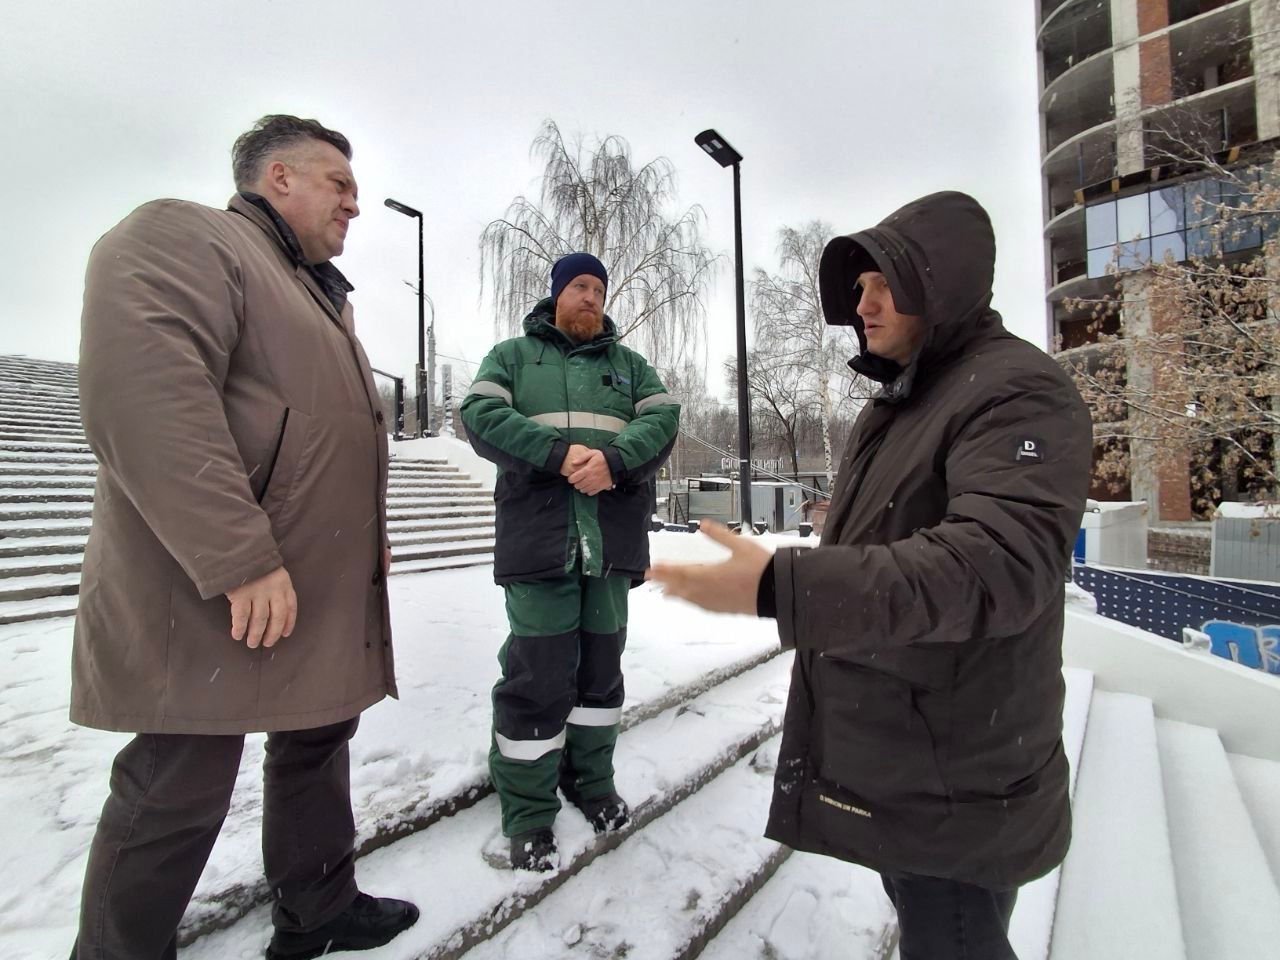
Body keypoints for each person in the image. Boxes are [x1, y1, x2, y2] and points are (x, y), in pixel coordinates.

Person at [648, 191, 1092, 959]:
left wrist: (777, 585)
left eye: (883, 282)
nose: (863, 303)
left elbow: (992, 565)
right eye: (857, 289)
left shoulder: (1016, 390)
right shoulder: (905, 401)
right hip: (919, 762)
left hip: (958, 778)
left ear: (939, 282)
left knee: (954, 936)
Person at [70, 115, 419, 960]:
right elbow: (145, 398)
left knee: (316, 743)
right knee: (178, 785)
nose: (355, 204)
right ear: (279, 178)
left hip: (310, 589)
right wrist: (239, 555)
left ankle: (319, 908)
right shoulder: (188, 236)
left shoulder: (311, 290)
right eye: (337, 183)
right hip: (219, 588)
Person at [461, 253, 680, 871]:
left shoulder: (630, 367)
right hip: (540, 544)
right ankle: (529, 812)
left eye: (599, 289)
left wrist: (612, 462)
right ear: (557, 294)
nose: (591, 297)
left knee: (600, 679)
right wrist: (560, 456)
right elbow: (480, 416)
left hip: (609, 546)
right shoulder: (510, 357)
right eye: (579, 286)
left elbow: (664, 419)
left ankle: (591, 781)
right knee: (537, 677)